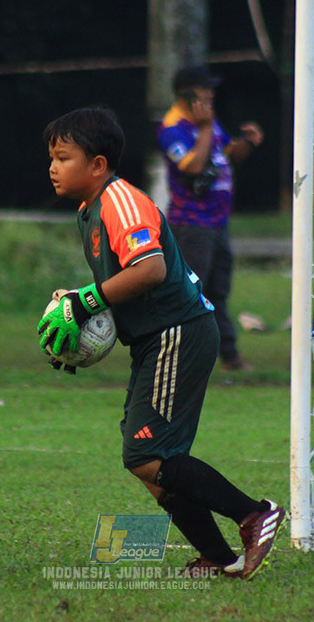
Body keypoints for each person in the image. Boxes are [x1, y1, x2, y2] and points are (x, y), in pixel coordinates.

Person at [38, 107, 285, 579]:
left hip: (179, 331)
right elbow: (121, 284)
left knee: (148, 454)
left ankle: (255, 515)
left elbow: (150, 270)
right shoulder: (90, 211)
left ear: (97, 164)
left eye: (63, 157)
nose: (53, 167)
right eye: (52, 158)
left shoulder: (120, 201)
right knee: (146, 462)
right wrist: (75, 312)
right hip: (157, 340)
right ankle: (219, 557)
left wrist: (86, 302)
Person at [157, 65, 264, 371]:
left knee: (218, 293)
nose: (211, 96)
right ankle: (178, 358)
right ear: (186, 95)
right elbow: (191, 167)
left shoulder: (210, 123)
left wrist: (247, 142)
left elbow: (229, 154)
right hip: (191, 225)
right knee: (191, 293)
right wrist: (204, 128)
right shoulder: (172, 128)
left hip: (217, 223)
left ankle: (229, 356)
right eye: (205, 92)